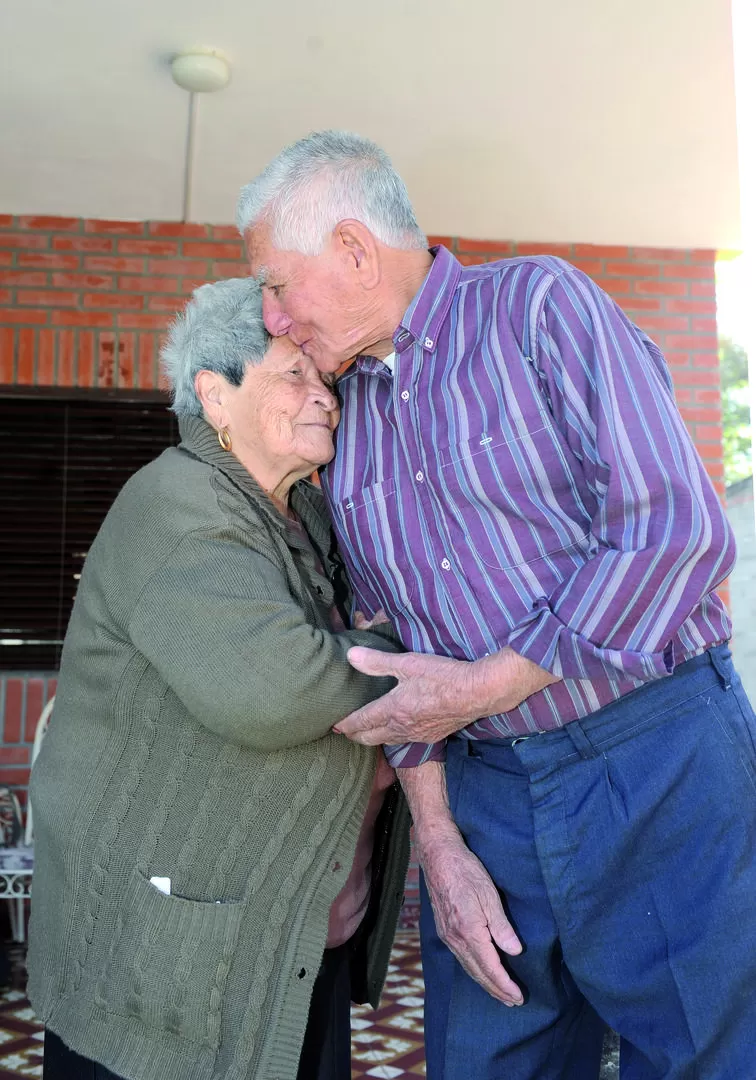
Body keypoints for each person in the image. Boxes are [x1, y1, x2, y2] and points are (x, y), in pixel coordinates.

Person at [239, 130, 756, 1080]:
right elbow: (393, 657)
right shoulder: (347, 416)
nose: (272, 319)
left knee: (707, 1059)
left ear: (354, 250)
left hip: (657, 757)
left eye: (277, 283)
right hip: (483, 797)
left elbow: (676, 533)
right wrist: (437, 838)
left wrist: (486, 683)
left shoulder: (538, 305)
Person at [27, 276, 410, 1080]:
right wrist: (409, 659)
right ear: (216, 394)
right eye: (293, 375)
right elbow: (275, 686)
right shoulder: (177, 504)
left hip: (280, 949)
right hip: (169, 976)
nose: (326, 399)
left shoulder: (293, 514)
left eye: (326, 379)